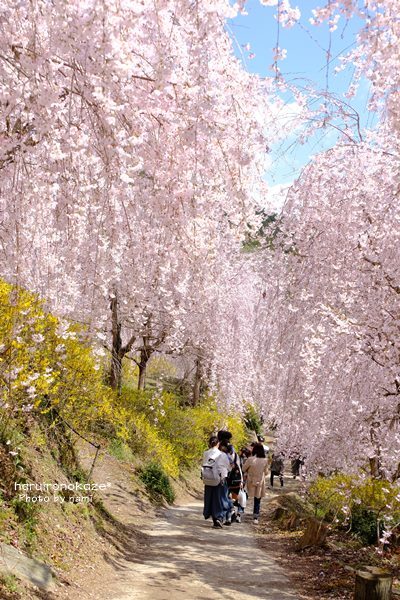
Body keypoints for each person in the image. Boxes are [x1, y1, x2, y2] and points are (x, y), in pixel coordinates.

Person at [202, 438, 233, 528]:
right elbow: (228, 467)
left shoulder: (206, 453)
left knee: (209, 498)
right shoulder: (222, 455)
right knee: (218, 499)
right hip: (219, 479)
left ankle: (210, 514)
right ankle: (218, 518)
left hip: (207, 478)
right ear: (218, 444)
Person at [242, 442, 269, 524]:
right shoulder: (265, 460)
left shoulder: (250, 459)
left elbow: (243, 469)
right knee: (257, 499)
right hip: (260, 481)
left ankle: (239, 512)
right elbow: (267, 472)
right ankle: (255, 517)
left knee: (245, 495)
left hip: (250, 480)